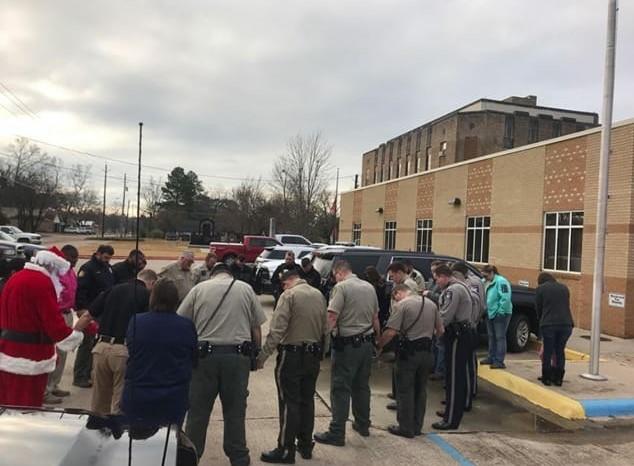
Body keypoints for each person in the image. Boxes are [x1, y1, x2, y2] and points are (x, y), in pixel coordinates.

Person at [178, 263, 266, 465]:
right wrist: (255, 356)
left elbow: (182, 321)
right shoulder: (245, 289)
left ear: (212, 274)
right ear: (230, 274)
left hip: (204, 358)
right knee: (235, 411)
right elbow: (256, 329)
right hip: (237, 358)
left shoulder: (199, 289)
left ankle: (191, 456)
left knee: (198, 412)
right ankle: (239, 457)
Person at [0, 250, 91, 407]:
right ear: (53, 268)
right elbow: (53, 322)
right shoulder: (41, 282)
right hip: (30, 356)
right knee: (27, 405)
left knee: (8, 404)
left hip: (9, 351)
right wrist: (75, 333)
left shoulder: (16, 278)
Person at [257, 269, 328, 463]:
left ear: (286, 282)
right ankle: (305, 445)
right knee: (307, 400)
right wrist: (322, 352)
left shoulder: (289, 295)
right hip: (313, 355)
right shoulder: (318, 294)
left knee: (289, 402)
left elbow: (277, 330)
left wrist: (262, 356)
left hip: (292, 356)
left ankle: (286, 449)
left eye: (283, 284)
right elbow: (326, 328)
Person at [314, 260, 380, 447]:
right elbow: (376, 318)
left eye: (335, 276)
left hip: (347, 346)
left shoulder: (341, 288)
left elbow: (332, 316)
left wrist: (321, 339)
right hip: (366, 344)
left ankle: (336, 432)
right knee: (361, 386)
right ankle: (362, 424)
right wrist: (378, 341)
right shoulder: (369, 287)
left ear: (339, 272)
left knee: (341, 388)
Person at [121, 278, 198, 427]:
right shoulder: (186, 325)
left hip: (138, 393)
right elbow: (193, 359)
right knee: (168, 444)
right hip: (173, 396)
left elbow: (131, 349)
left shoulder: (137, 321)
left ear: (152, 298)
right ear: (176, 300)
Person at [377, 284, 443, 438]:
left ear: (398, 292)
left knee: (405, 390)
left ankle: (405, 427)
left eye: (395, 297)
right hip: (427, 353)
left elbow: (391, 332)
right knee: (421, 390)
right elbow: (440, 331)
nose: (395, 300)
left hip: (409, 353)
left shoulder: (402, 305)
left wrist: (379, 345)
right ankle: (417, 426)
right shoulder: (431, 304)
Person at [89, 269, 157, 416]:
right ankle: (117, 434)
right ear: (152, 283)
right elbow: (149, 325)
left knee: (98, 400)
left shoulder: (113, 289)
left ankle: (96, 431)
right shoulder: (146, 295)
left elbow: (89, 314)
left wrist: (72, 336)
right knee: (120, 401)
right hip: (123, 351)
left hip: (101, 348)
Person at [432, 264, 472, 431]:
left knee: (454, 378)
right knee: (456, 376)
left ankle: (451, 419)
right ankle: (451, 411)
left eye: (437, 279)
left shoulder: (453, 290)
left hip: (457, 335)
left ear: (444, 276)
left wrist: (434, 331)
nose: (436, 283)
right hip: (461, 333)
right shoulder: (459, 286)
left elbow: (445, 316)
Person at [74, 244, 115, 388]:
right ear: (98, 254)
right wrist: (82, 310)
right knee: (86, 343)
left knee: (95, 344)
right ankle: (79, 376)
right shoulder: (88, 268)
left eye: (109, 259)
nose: (107, 261)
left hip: (102, 312)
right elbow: (81, 291)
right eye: (105, 258)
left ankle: (88, 373)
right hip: (89, 312)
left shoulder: (107, 268)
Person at [45, 245, 79, 404]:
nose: (74, 263)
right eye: (71, 259)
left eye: (76, 260)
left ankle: (54, 385)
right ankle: (45, 389)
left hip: (68, 314)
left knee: (64, 352)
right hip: (56, 314)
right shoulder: (55, 273)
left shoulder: (72, 272)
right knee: (53, 353)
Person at [451, 261, 485, 411]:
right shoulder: (465, 284)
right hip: (467, 326)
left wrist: (473, 322)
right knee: (462, 366)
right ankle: (460, 397)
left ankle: (469, 396)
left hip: (469, 327)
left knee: (468, 365)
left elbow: (479, 304)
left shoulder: (472, 283)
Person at [535, 273, 574, 386]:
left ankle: (546, 377)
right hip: (566, 324)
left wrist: (541, 319)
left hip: (549, 324)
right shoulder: (564, 288)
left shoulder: (540, 289)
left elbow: (538, 307)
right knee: (559, 351)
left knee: (548, 351)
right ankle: (558, 378)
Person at [480, 265, 513, 369]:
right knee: (491, 336)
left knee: (500, 337)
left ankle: (499, 360)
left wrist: (500, 311)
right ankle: (491, 357)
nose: (484, 278)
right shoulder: (485, 282)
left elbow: (505, 297)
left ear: (492, 273)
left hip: (500, 313)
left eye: (486, 276)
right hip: (489, 312)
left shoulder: (501, 281)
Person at [424, 260, 445, 381]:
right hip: (431, 316)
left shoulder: (443, 285)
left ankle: (439, 370)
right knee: (433, 345)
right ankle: (433, 367)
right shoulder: (433, 282)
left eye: (435, 271)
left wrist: (429, 294)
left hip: (439, 316)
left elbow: (442, 299)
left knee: (439, 345)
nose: (433, 274)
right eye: (432, 271)